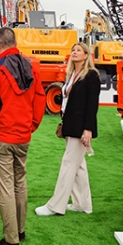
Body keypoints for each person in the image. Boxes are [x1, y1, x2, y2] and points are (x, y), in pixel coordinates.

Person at [0, 27, 46, 245]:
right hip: (22, 135)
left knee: (5, 188)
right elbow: (39, 99)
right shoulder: (30, 67)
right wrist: (31, 126)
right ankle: (19, 230)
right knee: (19, 182)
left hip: (1, 136)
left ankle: (11, 239)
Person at [36, 42, 100, 216]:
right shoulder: (71, 74)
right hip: (69, 124)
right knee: (78, 166)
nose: (75, 52)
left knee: (69, 164)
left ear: (86, 55)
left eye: (79, 50)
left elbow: (92, 104)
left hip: (80, 127)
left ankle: (55, 206)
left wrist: (88, 129)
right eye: (73, 50)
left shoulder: (91, 75)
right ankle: (82, 204)